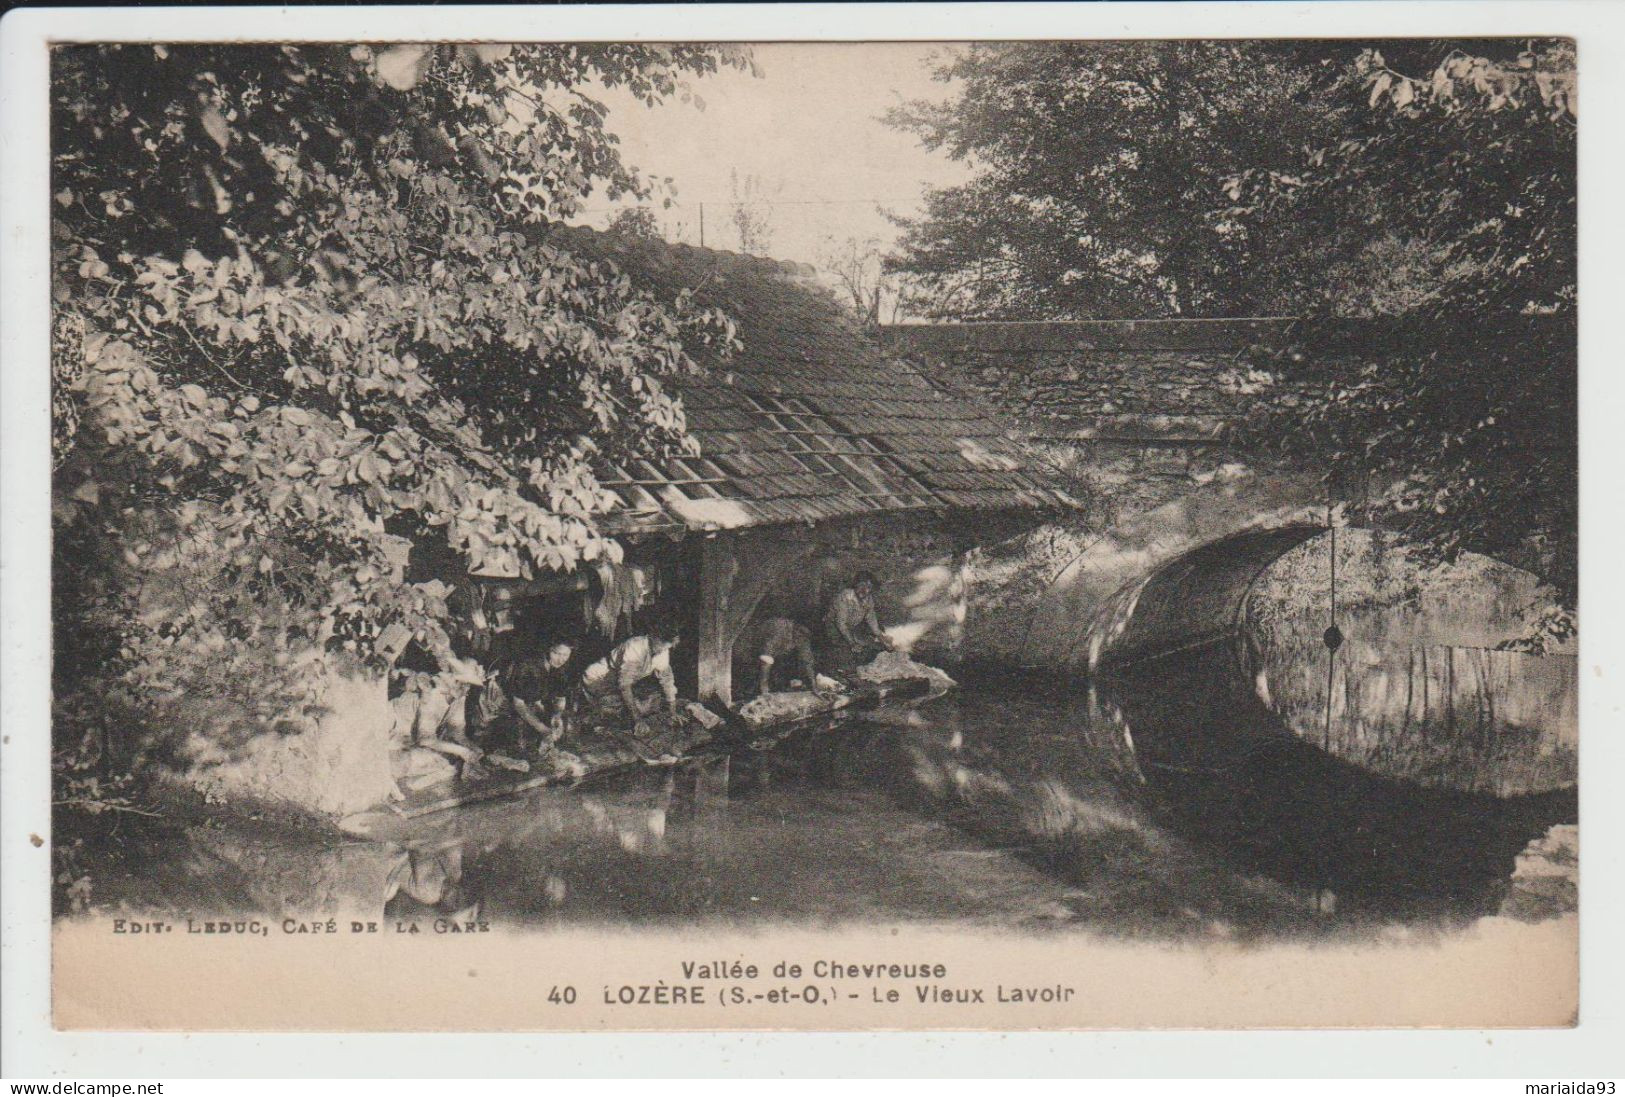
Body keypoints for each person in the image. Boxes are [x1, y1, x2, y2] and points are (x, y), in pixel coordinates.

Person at [579, 618, 689, 733]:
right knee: (627, 710)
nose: (662, 651)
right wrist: (638, 719)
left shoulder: (662, 650)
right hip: (598, 680)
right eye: (661, 646)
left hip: (617, 683)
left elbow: (667, 679)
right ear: (654, 636)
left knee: (649, 702)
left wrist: (673, 712)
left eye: (667, 648)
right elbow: (625, 685)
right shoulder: (635, 647)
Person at [823, 570, 894, 675]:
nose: (864, 590)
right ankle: (837, 671)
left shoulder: (868, 600)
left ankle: (853, 665)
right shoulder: (845, 597)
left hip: (851, 625)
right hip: (832, 625)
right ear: (856, 584)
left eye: (868, 587)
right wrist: (852, 643)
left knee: (866, 644)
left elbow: (872, 621)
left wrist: (882, 638)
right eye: (862, 586)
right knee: (843, 648)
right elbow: (841, 624)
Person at [742, 615, 820, 698]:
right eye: (800, 633)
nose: (801, 638)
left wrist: (813, 685)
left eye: (805, 636)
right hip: (749, 646)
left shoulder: (803, 636)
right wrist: (764, 689)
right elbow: (766, 658)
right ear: (795, 625)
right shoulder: (778, 628)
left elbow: (806, 661)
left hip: (773, 652)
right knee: (751, 674)